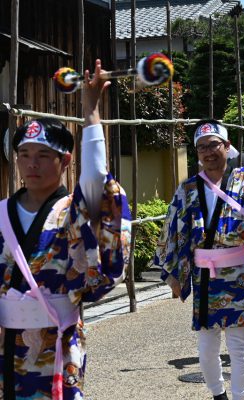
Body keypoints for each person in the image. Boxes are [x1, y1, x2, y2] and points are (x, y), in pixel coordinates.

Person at [0, 60, 131, 399]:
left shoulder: (75, 211)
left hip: (55, 343)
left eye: (44, 155)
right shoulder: (1, 213)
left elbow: (97, 179)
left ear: (66, 161)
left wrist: (90, 113)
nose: (32, 164)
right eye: (24, 154)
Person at [155, 93, 244, 400]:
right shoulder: (188, 188)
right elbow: (172, 230)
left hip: (240, 273)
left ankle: (240, 396)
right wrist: (172, 276)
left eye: (214, 145)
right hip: (205, 278)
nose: (208, 152)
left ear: (227, 147)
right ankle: (218, 395)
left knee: (239, 346)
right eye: (202, 147)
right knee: (206, 347)